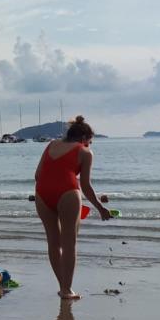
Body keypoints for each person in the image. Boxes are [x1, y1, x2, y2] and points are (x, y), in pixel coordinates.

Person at [34, 115, 111, 300]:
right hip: (67, 192)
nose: (89, 145)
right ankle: (67, 289)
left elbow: (37, 175)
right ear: (84, 138)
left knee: (53, 243)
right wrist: (101, 208)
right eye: (90, 142)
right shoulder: (84, 152)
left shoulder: (51, 144)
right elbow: (85, 186)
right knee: (69, 244)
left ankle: (64, 287)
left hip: (42, 193)